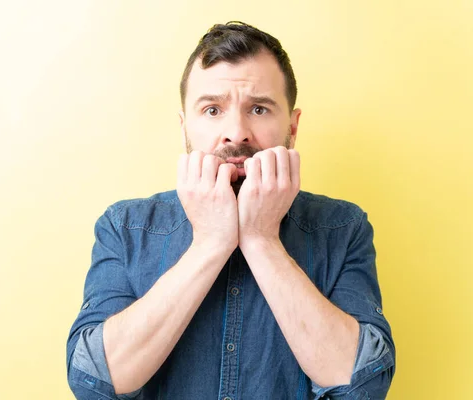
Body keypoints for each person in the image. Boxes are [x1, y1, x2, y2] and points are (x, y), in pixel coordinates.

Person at [66, 21, 395, 400]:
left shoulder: (342, 228)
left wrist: (261, 239)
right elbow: (94, 382)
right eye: (212, 110)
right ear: (185, 126)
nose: (236, 132)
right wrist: (209, 244)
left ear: (293, 126)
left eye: (259, 108)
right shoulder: (126, 227)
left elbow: (363, 386)